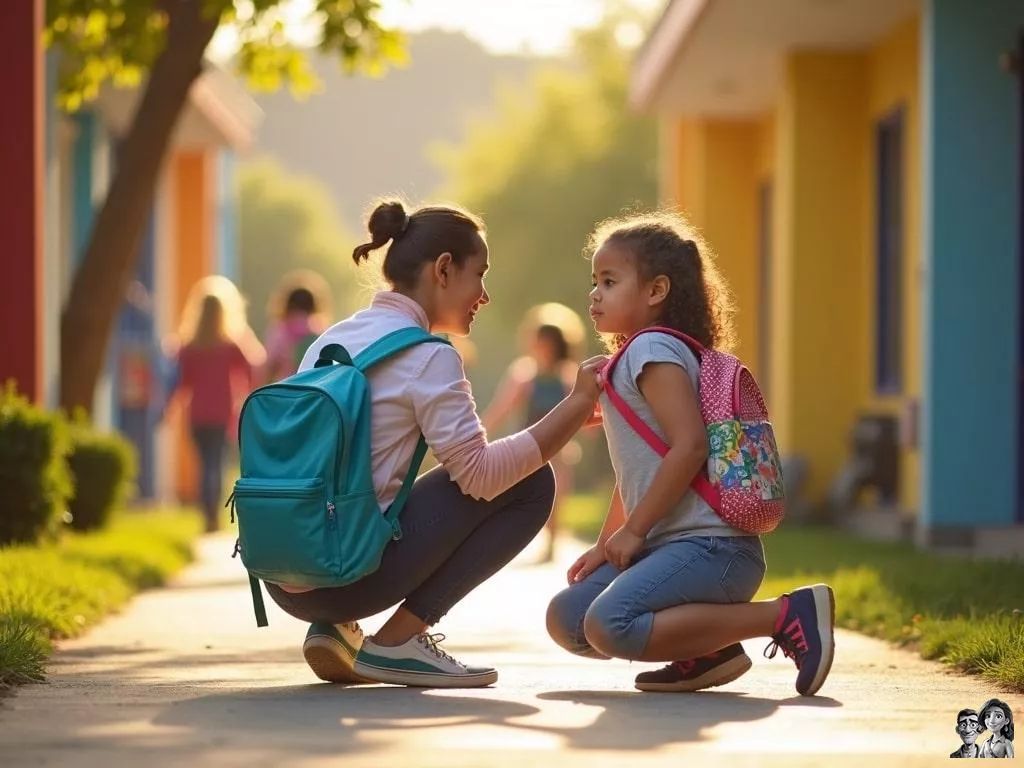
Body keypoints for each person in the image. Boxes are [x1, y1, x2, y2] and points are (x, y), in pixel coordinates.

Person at [265, 199, 606, 689]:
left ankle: (337, 628)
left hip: (285, 575)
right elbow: (483, 478)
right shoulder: (427, 356)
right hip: (345, 579)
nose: (484, 295)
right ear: (444, 269)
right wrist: (574, 408)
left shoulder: (334, 339)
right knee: (533, 484)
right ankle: (397, 641)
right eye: (479, 274)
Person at [545, 211, 836, 697]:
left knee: (608, 625)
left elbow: (690, 446)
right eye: (594, 281)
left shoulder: (651, 349)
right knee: (568, 618)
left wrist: (635, 531)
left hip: (713, 550)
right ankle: (705, 652)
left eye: (610, 281)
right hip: (673, 552)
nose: (595, 293)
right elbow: (634, 472)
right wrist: (607, 542)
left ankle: (785, 615)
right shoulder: (633, 356)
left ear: (656, 291)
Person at [482, 304, 586, 562]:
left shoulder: (567, 376)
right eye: (540, 342)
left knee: (558, 490)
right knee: (516, 490)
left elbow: (582, 411)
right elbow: (502, 407)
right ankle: (511, 538)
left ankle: (552, 543)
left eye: (548, 343)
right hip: (528, 441)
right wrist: (481, 432)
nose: (543, 348)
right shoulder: (525, 375)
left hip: (559, 446)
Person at [167, 276, 266, 532]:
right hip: (222, 413)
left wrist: (169, 409)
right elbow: (254, 367)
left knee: (205, 464)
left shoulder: (189, 346)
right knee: (216, 463)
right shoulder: (230, 344)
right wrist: (253, 397)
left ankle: (207, 514)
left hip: (197, 415)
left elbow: (180, 383)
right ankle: (213, 515)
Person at [261, 270, 331, 383]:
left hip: (286, 387)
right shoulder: (319, 328)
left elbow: (270, 364)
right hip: (313, 387)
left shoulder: (281, 330)